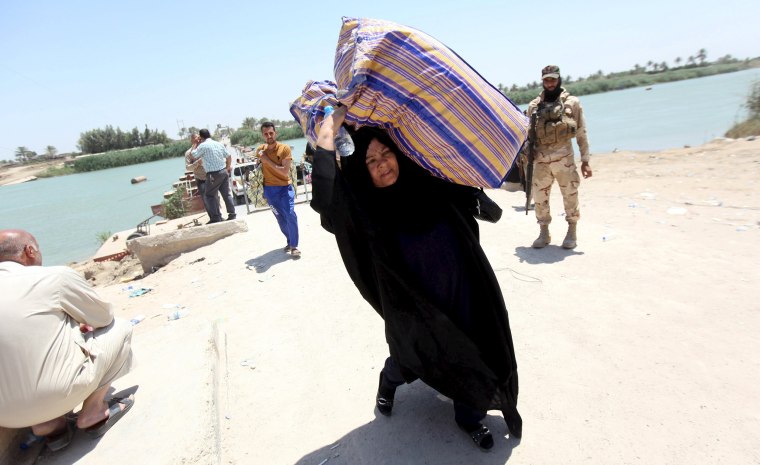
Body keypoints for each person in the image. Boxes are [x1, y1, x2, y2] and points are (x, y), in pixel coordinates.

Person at [310, 107, 521, 451]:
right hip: (412, 303)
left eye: (385, 153)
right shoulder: (363, 210)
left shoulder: (427, 179)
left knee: (475, 348)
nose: (381, 163)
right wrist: (326, 133)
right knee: (412, 358)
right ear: (363, 172)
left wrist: (481, 196)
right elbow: (323, 197)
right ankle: (387, 383)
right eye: (370, 161)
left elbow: (464, 179)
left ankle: (470, 417)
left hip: (462, 289)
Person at [0, 230, 135, 451]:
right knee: (120, 327)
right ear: (29, 251)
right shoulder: (53, 277)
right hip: (57, 393)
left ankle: (49, 426)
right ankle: (93, 412)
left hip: (6, 416)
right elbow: (103, 317)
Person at [526, 65, 593, 249]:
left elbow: (581, 132)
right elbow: (527, 136)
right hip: (541, 160)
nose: (550, 83)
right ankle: (544, 232)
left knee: (570, 195)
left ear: (559, 79)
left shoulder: (572, 103)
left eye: (553, 79)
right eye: (547, 79)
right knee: (539, 198)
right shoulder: (533, 106)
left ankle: (572, 230)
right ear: (542, 80)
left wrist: (585, 161)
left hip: (564, 159)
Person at [257, 122, 300, 258]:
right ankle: (289, 240)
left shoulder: (284, 149)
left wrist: (266, 160)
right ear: (263, 135)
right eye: (266, 134)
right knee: (280, 219)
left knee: (290, 214)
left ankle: (294, 246)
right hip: (269, 191)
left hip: (284, 188)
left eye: (271, 133)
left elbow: (285, 172)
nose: (269, 136)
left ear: (275, 133)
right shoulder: (260, 150)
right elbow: (258, 169)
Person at [188, 128, 236, 224]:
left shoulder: (203, 146)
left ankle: (215, 217)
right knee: (226, 194)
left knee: (209, 195)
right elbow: (228, 156)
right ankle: (232, 214)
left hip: (213, 174)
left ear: (201, 137)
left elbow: (193, 155)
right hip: (223, 172)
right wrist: (227, 168)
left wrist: (194, 144)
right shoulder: (218, 144)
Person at [185, 132, 218, 218]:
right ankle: (212, 218)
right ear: (192, 140)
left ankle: (218, 216)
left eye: (199, 137)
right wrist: (197, 163)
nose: (198, 139)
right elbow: (188, 168)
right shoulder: (188, 153)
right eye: (196, 138)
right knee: (206, 199)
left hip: (211, 176)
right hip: (201, 179)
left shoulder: (205, 148)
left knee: (215, 197)